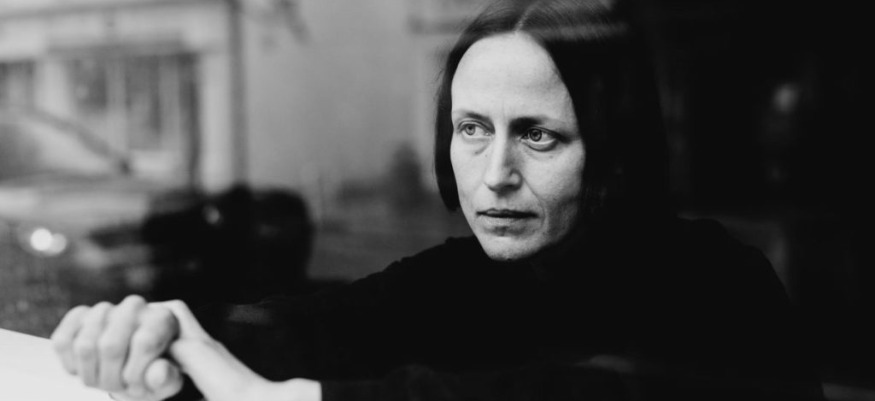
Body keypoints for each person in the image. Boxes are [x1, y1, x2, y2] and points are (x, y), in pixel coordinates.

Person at [50, 0, 824, 400]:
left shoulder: (721, 284)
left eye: (538, 135)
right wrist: (159, 333)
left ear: (612, 155)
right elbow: (312, 329)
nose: (494, 174)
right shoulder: (458, 280)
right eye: (471, 129)